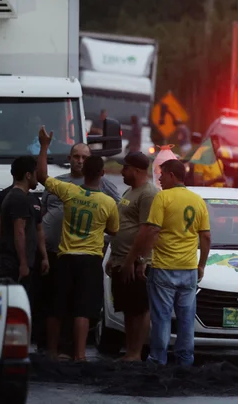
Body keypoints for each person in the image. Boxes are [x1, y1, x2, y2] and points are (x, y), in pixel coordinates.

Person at [35, 126, 120, 361]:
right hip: (90, 259)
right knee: (83, 309)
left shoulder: (70, 192)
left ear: (87, 168)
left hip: (65, 256)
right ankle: (80, 356)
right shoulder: (107, 202)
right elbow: (114, 229)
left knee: (57, 306)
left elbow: (42, 177)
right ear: (102, 173)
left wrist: (44, 146)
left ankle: (52, 352)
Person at [123, 159, 211, 366]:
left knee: (161, 318)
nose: (160, 178)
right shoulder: (197, 200)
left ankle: (158, 360)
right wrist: (202, 265)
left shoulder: (163, 197)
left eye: (162, 174)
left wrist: (143, 260)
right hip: (189, 269)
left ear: (172, 175)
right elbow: (205, 236)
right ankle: (185, 361)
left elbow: (152, 230)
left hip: (163, 268)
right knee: (186, 319)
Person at [106, 152, 158, 362]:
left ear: (136, 170)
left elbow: (147, 231)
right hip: (121, 259)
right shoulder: (131, 191)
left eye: (125, 168)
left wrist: (136, 261)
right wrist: (114, 256)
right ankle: (129, 351)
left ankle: (136, 353)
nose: (121, 171)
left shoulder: (148, 194)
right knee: (127, 307)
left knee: (139, 308)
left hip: (136, 263)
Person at [0, 156, 49, 293]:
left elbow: (38, 230)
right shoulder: (17, 198)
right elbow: (19, 232)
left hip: (30, 263)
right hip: (14, 265)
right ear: (28, 175)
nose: (38, 178)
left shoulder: (30, 199)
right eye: (35, 173)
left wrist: (44, 257)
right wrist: (23, 264)